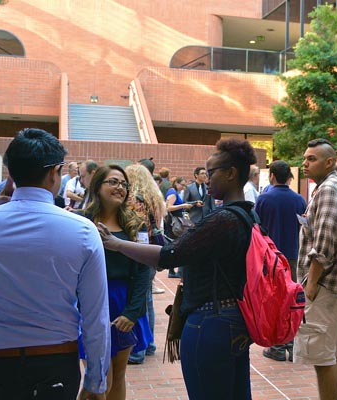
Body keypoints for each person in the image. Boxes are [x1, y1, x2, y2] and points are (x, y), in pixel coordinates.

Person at [97, 138, 258, 400]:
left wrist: (115, 244)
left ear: (231, 173)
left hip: (210, 320)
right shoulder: (248, 214)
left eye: (212, 172)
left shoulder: (223, 219)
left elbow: (170, 255)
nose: (207, 179)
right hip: (234, 318)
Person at [0, 128, 109, 400]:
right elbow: (95, 315)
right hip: (56, 362)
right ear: (54, 172)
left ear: (11, 173)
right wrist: (96, 380)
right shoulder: (83, 231)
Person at [294, 138, 337, 400]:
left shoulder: (329, 189)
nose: (305, 163)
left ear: (329, 162)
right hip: (336, 287)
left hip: (325, 286)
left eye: (312, 159)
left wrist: (311, 284)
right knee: (334, 351)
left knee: (322, 358)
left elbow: (324, 241)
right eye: (305, 158)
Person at [81, 164, 152, 400]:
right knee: (99, 378)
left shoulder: (136, 224)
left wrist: (132, 312)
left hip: (123, 302)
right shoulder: (81, 222)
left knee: (119, 374)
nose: (119, 187)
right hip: (90, 303)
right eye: (112, 182)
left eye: (123, 184)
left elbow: (144, 271)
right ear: (97, 186)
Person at [255, 160, 307, 362]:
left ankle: (277, 346)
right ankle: (292, 344)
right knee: (291, 299)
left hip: (270, 258)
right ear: (290, 177)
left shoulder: (264, 199)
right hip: (293, 255)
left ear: (272, 175)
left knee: (274, 300)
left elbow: (256, 229)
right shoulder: (299, 200)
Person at [123, 163, 168, 365]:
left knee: (139, 299)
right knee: (146, 298)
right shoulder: (153, 198)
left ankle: (139, 348)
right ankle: (148, 345)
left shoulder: (134, 201)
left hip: (140, 254)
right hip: (152, 253)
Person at [164, 176, 193, 278]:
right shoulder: (173, 193)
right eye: (182, 185)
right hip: (174, 222)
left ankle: (173, 270)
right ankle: (172, 270)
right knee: (175, 244)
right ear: (176, 183)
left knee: (174, 244)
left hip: (174, 221)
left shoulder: (172, 191)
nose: (183, 187)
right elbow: (169, 208)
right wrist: (183, 205)